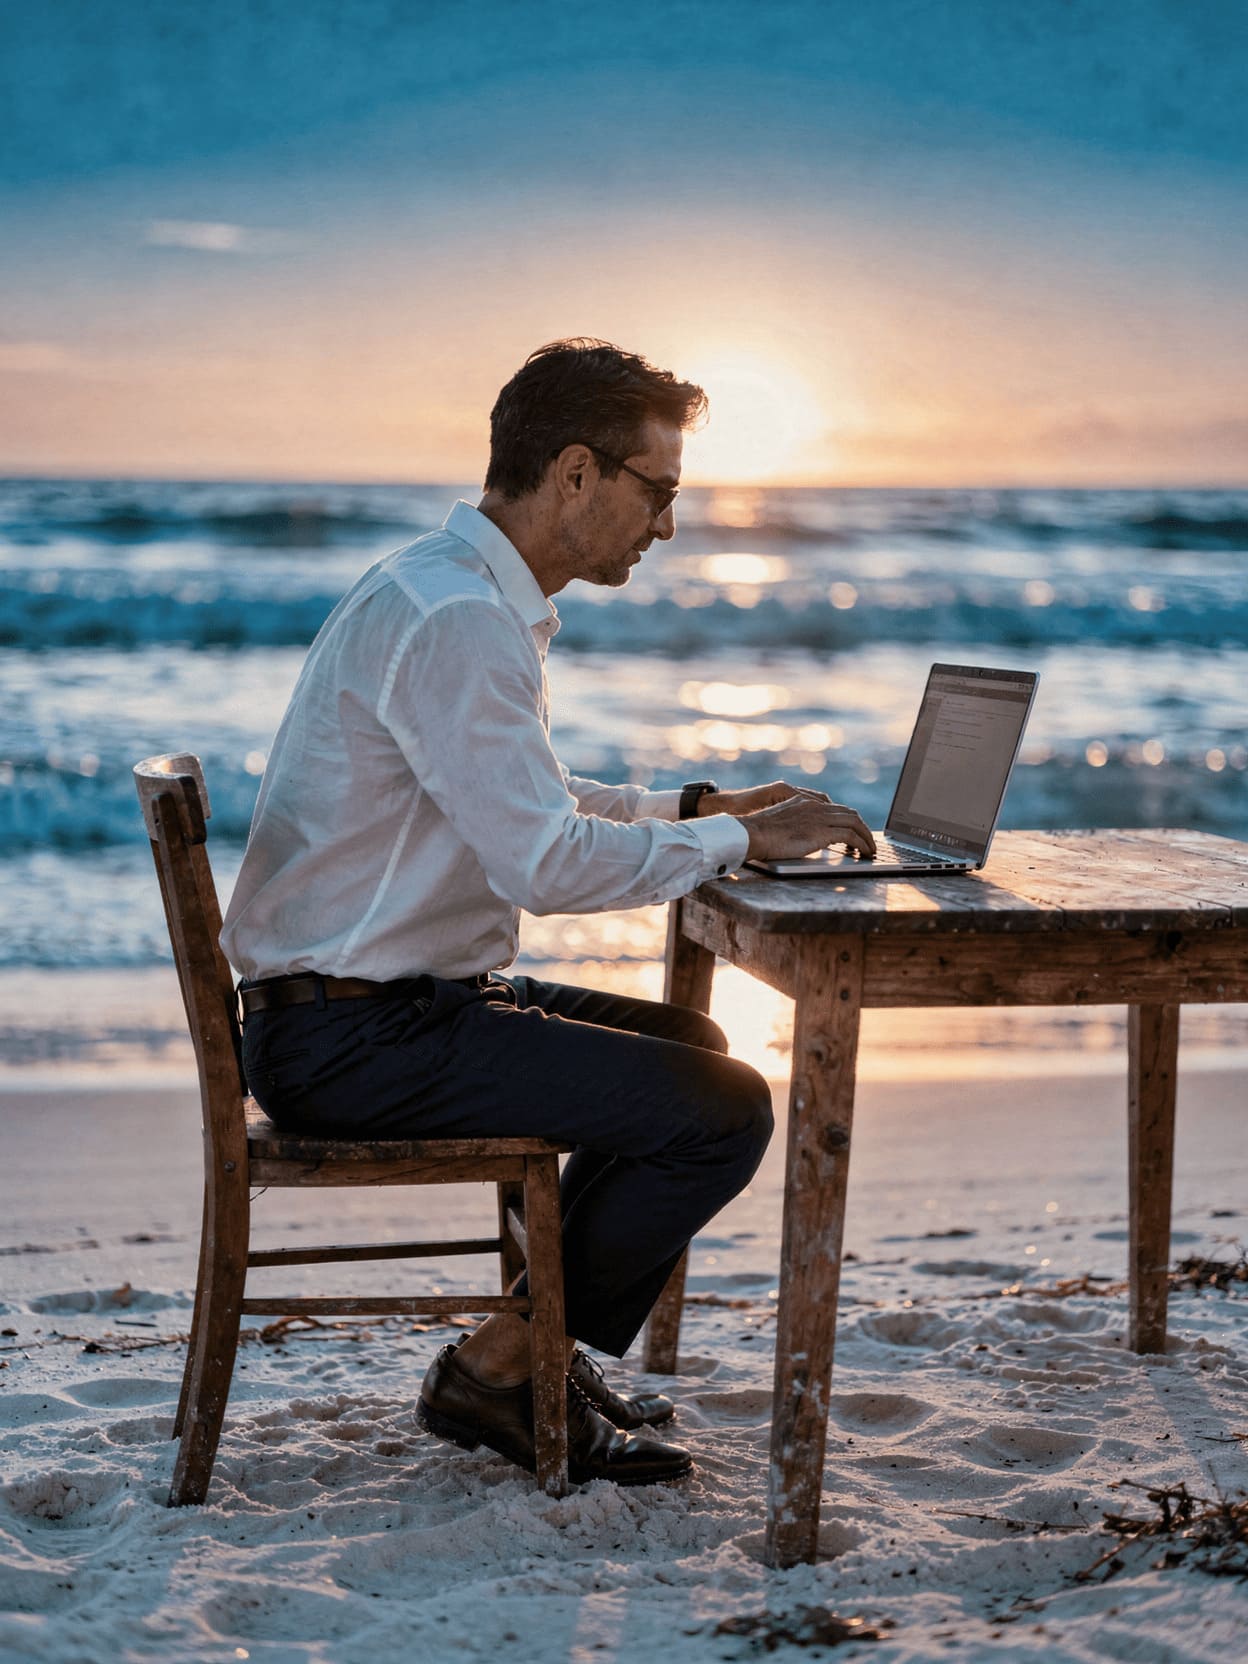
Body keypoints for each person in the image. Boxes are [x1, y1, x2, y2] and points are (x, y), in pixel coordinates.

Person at [220, 338, 874, 1487]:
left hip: (375, 1006)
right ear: (577, 471)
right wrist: (731, 843)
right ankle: (507, 1361)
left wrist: (701, 807)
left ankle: (529, 1347)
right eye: (657, 490)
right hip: (356, 1035)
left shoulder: (444, 589)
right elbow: (546, 863)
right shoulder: (461, 621)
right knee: (722, 1111)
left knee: (692, 1049)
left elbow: (532, 800)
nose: (664, 525)